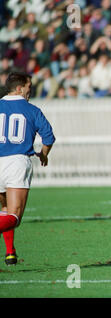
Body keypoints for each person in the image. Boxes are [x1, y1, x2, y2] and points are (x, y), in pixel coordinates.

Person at [0, 72, 55, 265]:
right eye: (28, 88)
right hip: (17, 163)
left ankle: (10, 252)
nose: (30, 92)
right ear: (19, 88)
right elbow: (48, 137)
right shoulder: (31, 110)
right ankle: (10, 251)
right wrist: (44, 154)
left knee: (4, 209)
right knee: (14, 216)